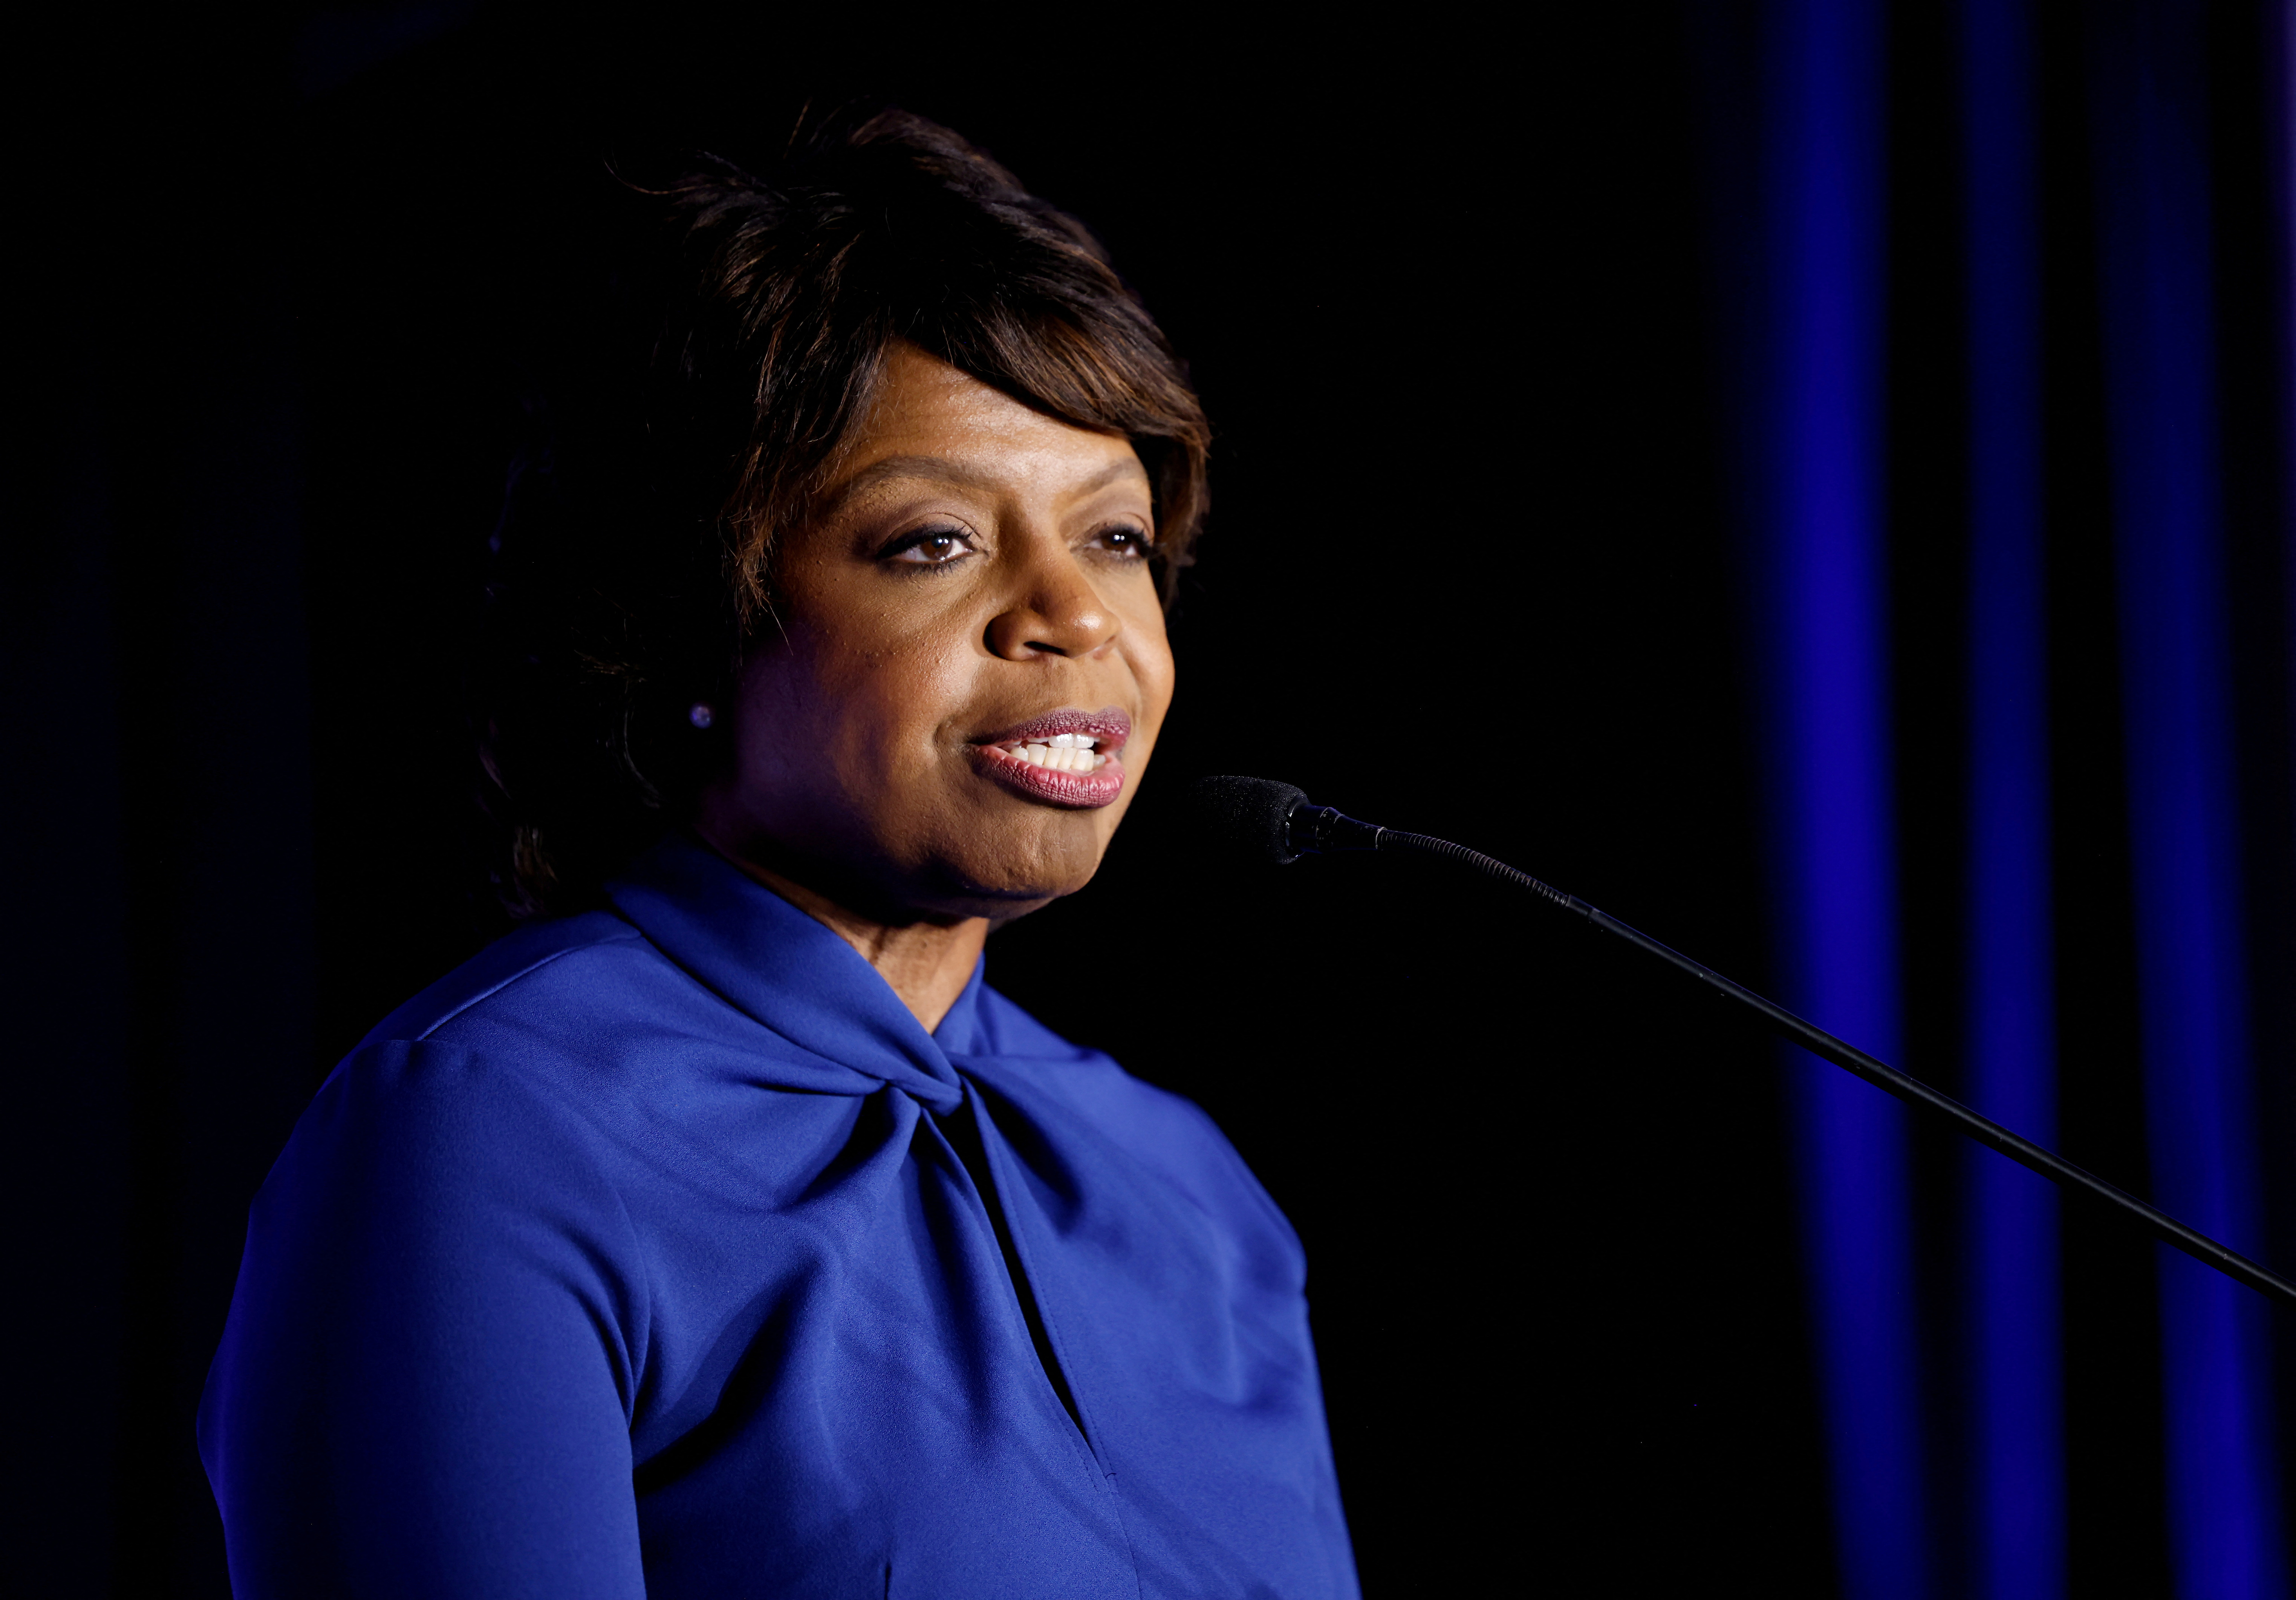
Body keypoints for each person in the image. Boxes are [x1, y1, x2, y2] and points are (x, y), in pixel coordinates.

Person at [198, 107, 1359, 1599]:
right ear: (692, 614)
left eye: (1117, 539)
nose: (1071, 618)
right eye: (935, 540)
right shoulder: (482, 1138)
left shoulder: (1193, 1195)